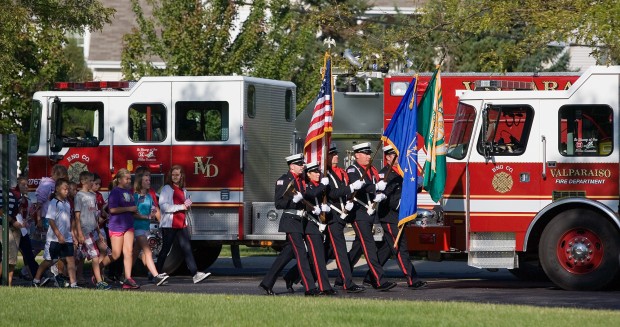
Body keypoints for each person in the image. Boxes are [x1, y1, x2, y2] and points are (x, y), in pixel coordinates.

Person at [366, 145, 428, 289]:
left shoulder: (400, 171)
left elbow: (406, 191)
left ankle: (370, 277)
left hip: (398, 216)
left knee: (387, 249)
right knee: (400, 247)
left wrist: (417, 186)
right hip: (389, 216)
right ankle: (412, 279)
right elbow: (390, 199)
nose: (397, 158)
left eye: (397, 155)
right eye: (393, 155)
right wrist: (405, 204)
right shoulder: (385, 174)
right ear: (387, 157)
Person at [259, 153, 322, 296]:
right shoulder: (284, 181)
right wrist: (294, 200)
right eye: (299, 164)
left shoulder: (301, 180)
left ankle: (267, 283)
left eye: (302, 164)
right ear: (292, 166)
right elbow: (279, 204)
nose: (302, 166)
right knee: (301, 255)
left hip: (302, 221)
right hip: (291, 222)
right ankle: (309, 288)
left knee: (286, 255)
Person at [345, 142, 396, 291]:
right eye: (365, 154)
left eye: (369, 153)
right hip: (358, 212)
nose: (368, 156)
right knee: (369, 246)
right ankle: (378, 280)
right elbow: (357, 186)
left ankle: (342, 277)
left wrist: (381, 193)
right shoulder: (352, 169)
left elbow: (378, 186)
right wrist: (375, 187)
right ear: (357, 155)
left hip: (369, 213)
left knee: (358, 248)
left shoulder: (372, 170)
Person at [157, 165, 210, 284]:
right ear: (170, 176)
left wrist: (187, 206)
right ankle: (155, 273)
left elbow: (184, 206)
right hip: (169, 224)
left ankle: (195, 274)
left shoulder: (183, 190)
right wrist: (181, 206)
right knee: (165, 249)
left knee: (187, 249)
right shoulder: (166, 188)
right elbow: (163, 206)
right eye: (173, 174)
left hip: (181, 223)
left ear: (181, 176)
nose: (175, 177)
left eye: (177, 175)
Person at [323, 144, 366, 293]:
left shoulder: (340, 172)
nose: (336, 156)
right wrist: (351, 188)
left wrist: (349, 201)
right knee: (340, 251)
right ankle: (347, 283)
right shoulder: (325, 174)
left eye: (336, 154)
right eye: (333, 154)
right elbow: (333, 194)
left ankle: (294, 276)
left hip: (341, 215)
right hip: (332, 217)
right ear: (326, 157)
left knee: (326, 251)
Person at [32, 178, 79, 288]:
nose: (67, 191)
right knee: (50, 261)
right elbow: (51, 220)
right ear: (57, 189)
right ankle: (36, 280)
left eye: (68, 189)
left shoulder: (67, 203)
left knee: (70, 259)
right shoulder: (54, 203)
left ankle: (74, 284)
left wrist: (72, 234)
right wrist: (58, 234)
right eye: (64, 189)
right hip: (54, 238)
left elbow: (69, 219)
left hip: (67, 237)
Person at [99, 169, 140, 289]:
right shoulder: (115, 192)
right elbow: (112, 210)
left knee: (128, 252)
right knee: (116, 254)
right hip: (117, 225)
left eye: (129, 179)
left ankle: (127, 278)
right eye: (126, 178)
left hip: (128, 225)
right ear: (120, 179)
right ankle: (98, 268)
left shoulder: (129, 192)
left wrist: (137, 212)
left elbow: (131, 208)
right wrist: (129, 209)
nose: (129, 181)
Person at [74, 171, 111, 290]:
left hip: (94, 229)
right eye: (90, 181)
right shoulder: (79, 196)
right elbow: (77, 216)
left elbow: (94, 215)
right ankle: (99, 281)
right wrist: (79, 233)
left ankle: (96, 274)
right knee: (94, 255)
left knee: (106, 249)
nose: (92, 183)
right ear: (83, 182)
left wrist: (99, 232)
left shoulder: (93, 196)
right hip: (85, 230)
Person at [133, 169, 169, 286]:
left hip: (145, 228)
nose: (149, 182)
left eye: (149, 180)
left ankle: (124, 275)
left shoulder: (149, 196)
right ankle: (156, 276)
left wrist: (154, 214)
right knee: (148, 251)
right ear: (140, 182)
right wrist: (147, 216)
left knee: (136, 252)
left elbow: (154, 209)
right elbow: (134, 213)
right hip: (137, 228)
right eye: (146, 180)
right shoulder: (135, 196)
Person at [13, 177, 39, 281]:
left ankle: (35, 276)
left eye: (27, 185)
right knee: (10, 254)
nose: (26, 187)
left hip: (23, 230)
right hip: (14, 228)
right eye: (23, 185)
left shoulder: (27, 201)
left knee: (28, 253)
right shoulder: (15, 198)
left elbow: (29, 215)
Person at [0, 184, 23, 286]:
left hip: (15, 228)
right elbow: (1, 211)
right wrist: (13, 221)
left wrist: (20, 222)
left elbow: (17, 210)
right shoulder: (2, 191)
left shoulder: (16, 194)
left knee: (12, 258)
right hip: (3, 226)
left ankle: (9, 285)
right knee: (6, 256)